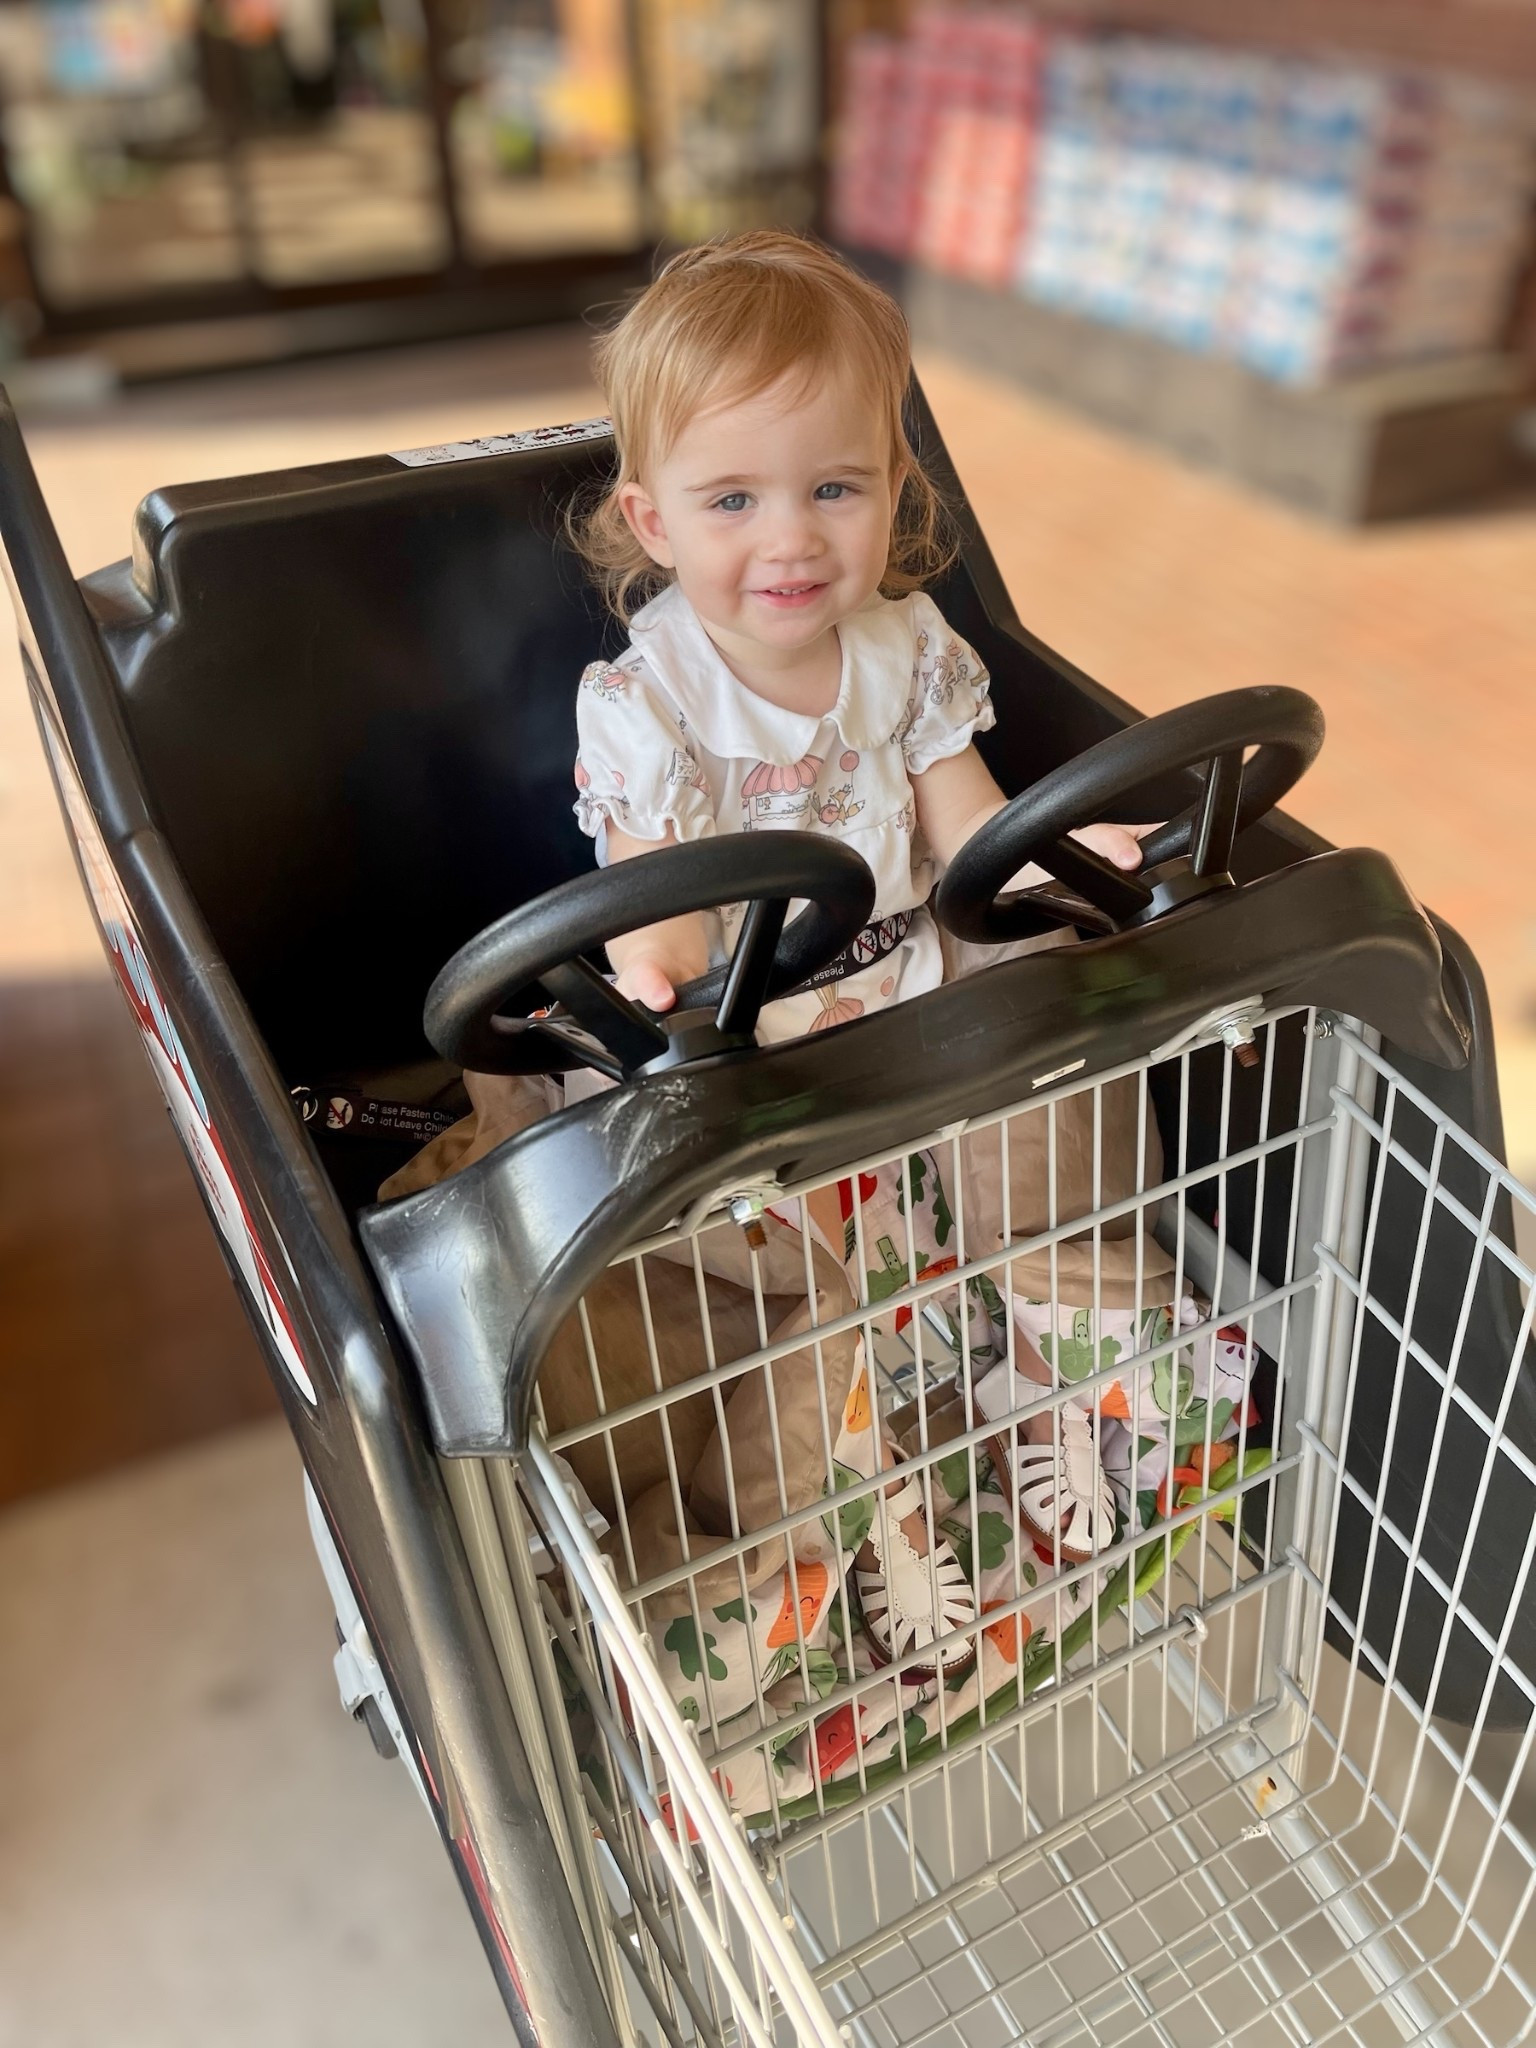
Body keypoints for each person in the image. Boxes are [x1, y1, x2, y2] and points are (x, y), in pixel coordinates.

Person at [565, 229, 1165, 1680]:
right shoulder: (651, 704)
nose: (792, 539)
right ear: (653, 521)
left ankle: (1071, 1335)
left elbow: (966, 826)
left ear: (894, 492)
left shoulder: (907, 648)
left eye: (835, 487)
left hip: (913, 994)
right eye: (734, 500)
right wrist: (658, 963)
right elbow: (657, 890)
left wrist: (1058, 855)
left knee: (1049, 1019)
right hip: (754, 1037)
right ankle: (808, 1506)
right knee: (759, 1259)